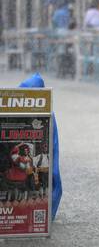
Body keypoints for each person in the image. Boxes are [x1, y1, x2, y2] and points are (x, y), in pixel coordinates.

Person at [19, 73, 63, 220]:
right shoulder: (48, 113)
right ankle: (45, 215)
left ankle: (41, 215)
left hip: (40, 156)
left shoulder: (47, 115)